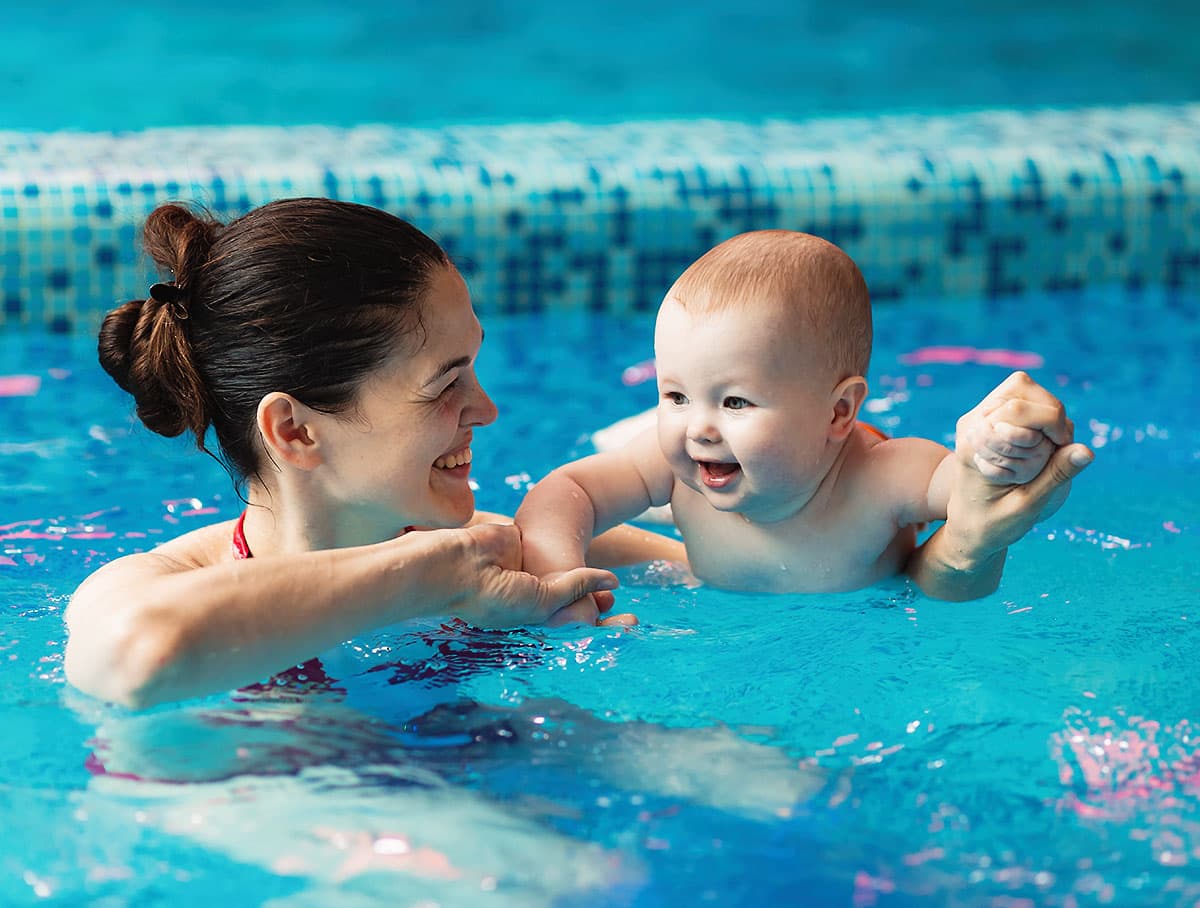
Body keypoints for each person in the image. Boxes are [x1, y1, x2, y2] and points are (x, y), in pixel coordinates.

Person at [64, 198, 685, 710]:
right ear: (297, 431)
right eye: (446, 383)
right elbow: (147, 657)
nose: (487, 408)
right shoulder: (154, 586)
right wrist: (436, 577)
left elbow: (742, 580)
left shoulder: (509, 552)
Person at [515, 230, 1094, 601]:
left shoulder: (882, 476)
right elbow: (567, 491)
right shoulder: (672, 463)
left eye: (735, 402)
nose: (699, 428)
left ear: (839, 411)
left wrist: (995, 452)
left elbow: (970, 490)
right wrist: (561, 582)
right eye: (676, 396)